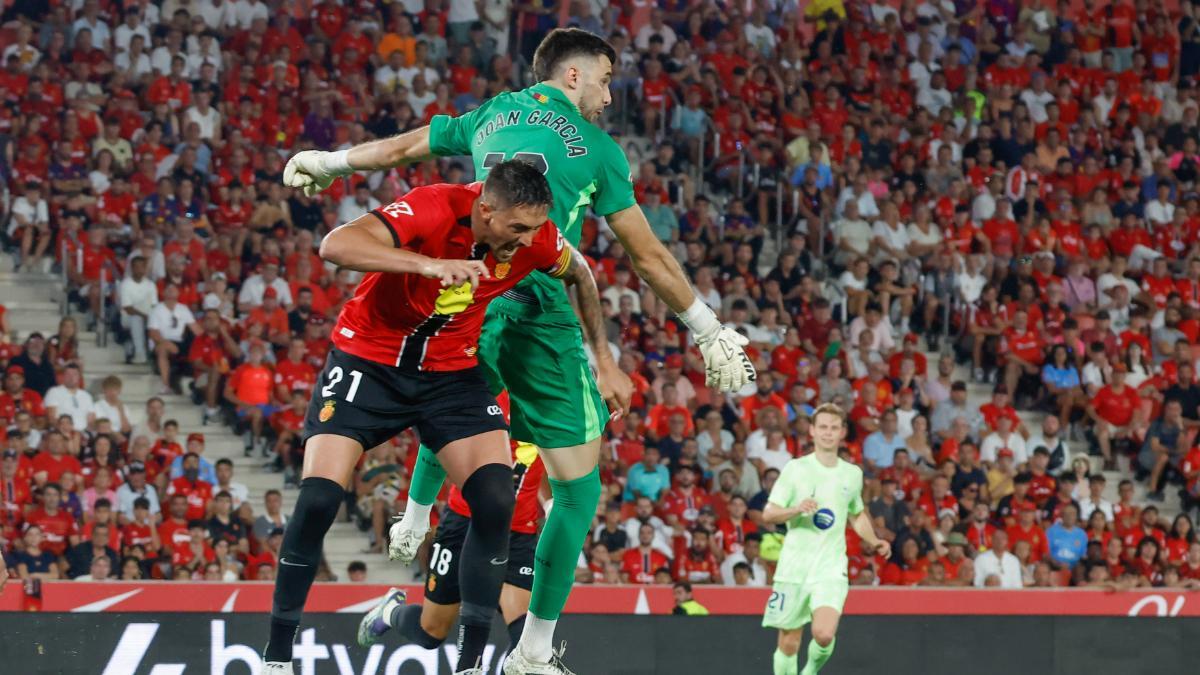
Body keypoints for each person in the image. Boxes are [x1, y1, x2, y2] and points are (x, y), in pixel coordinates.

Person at [284, 28, 755, 674]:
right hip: (537, 308)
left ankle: (418, 520)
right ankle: (532, 650)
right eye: (604, 78)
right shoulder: (596, 150)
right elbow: (642, 255)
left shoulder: (490, 114)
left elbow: (408, 146)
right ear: (572, 77)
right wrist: (706, 326)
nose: (609, 94)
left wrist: (327, 161)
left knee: (450, 395)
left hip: (469, 302)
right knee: (579, 487)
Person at [262, 162, 611, 675]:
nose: (528, 240)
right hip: (369, 360)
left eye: (536, 227)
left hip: (449, 371)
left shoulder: (537, 240)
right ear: (485, 210)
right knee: (319, 499)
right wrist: (424, 265)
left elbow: (579, 271)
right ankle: (276, 656)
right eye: (518, 228)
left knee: (495, 497)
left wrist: (605, 361)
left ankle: (471, 665)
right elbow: (336, 245)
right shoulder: (434, 205)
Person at [357, 442, 546, 657]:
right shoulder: (492, 409)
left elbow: (551, 461)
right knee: (430, 632)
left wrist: (550, 505)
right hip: (464, 522)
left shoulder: (552, 411)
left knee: (526, 641)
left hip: (518, 532)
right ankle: (390, 612)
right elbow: (438, 444)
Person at [761, 403, 890, 675]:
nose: (828, 433)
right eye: (823, 427)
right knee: (789, 642)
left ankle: (809, 672)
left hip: (830, 567)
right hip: (794, 567)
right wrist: (796, 509)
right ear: (812, 431)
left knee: (823, 634)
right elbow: (769, 514)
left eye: (834, 428)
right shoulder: (796, 469)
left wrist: (874, 539)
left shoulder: (852, 474)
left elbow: (856, 514)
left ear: (842, 432)